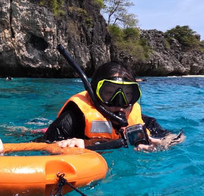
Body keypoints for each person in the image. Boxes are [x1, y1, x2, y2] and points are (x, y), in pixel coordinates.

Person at [44, 61, 185, 151]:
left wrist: (162, 144)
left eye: (127, 94)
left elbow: (178, 137)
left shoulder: (143, 122)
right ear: (94, 94)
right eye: (110, 93)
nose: (120, 103)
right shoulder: (73, 119)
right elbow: (41, 147)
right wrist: (67, 146)